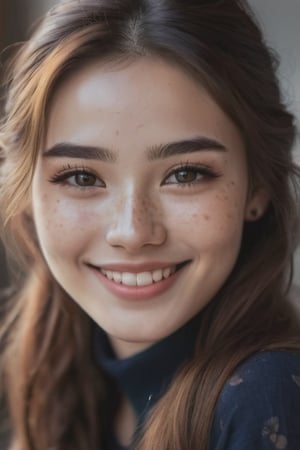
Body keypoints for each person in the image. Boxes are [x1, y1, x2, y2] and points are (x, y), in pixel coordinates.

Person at [0, 0, 300, 449]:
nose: (133, 232)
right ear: (25, 192)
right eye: (81, 177)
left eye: (185, 174)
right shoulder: (57, 377)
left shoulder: (265, 398)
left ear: (257, 186)